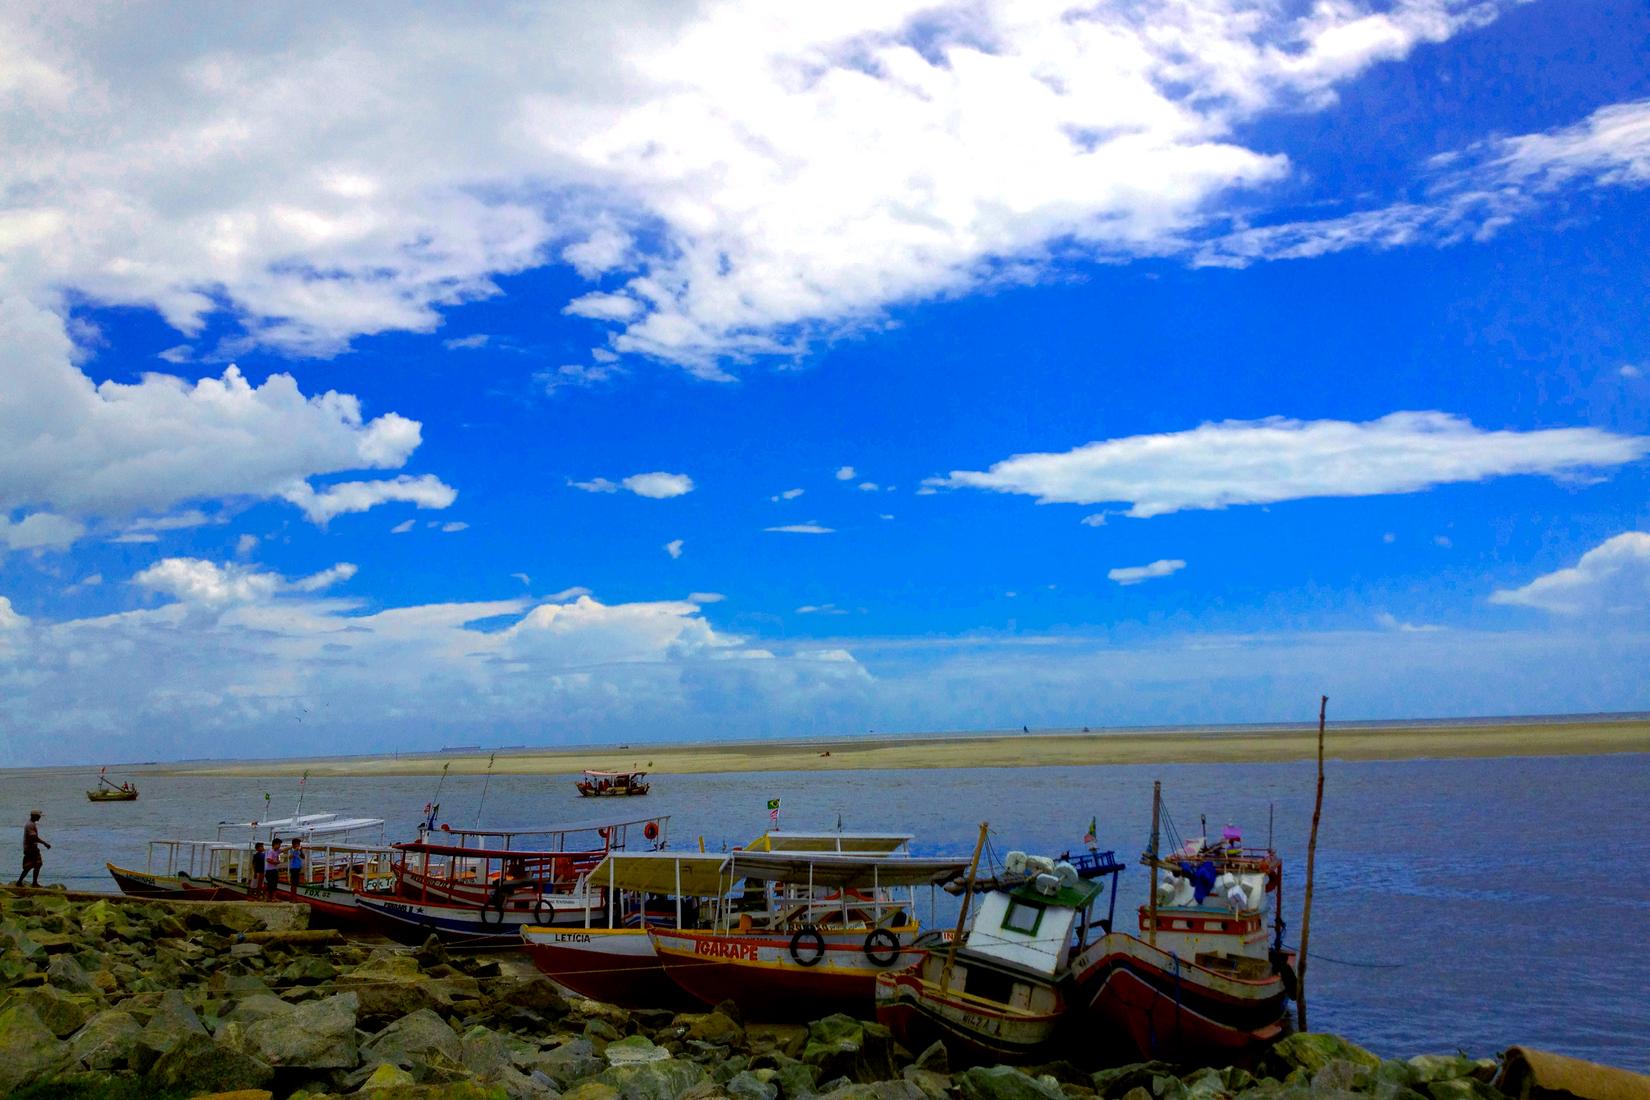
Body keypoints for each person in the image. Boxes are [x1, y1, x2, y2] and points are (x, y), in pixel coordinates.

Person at [16, 810, 49, 887]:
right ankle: (25, 882)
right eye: (38, 816)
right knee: (32, 865)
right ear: (34, 816)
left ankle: (30, 882)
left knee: (35, 865)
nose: (40, 817)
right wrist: (44, 843)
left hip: (32, 849)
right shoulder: (30, 825)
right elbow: (33, 837)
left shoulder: (31, 824)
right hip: (31, 850)